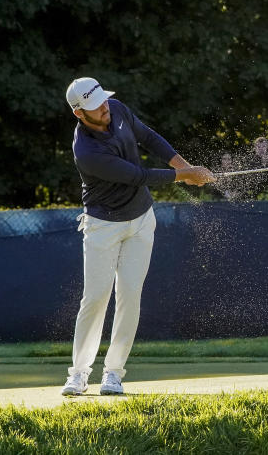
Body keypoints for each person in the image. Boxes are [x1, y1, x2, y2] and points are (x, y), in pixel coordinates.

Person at [61, 77, 215, 396]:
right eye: (95, 107)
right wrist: (186, 176)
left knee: (130, 295)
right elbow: (137, 176)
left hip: (142, 219)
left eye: (103, 101)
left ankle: (113, 373)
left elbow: (150, 138)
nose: (104, 108)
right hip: (103, 226)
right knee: (96, 297)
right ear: (79, 114)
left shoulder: (116, 108)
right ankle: (78, 373)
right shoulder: (86, 150)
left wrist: (185, 167)